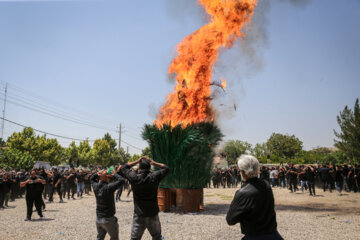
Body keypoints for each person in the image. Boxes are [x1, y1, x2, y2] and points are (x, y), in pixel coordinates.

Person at [226, 155, 283, 240]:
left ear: (243, 172)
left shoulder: (243, 193)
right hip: (273, 234)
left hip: (254, 236)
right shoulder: (266, 185)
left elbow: (230, 220)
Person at [119, 156, 170, 240]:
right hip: (152, 213)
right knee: (157, 237)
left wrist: (137, 161)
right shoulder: (154, 176)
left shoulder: (134, 177)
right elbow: (166, 168)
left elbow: (124, 168)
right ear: (150, 167)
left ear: (139, 167)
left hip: (139, 214)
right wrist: (153, 162)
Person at [91, 168, 125, 240]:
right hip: (108, 219)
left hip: (98, 218)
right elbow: (122, 180)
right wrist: (114, 174)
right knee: (114, 238)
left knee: (99, 238)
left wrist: (97, 174)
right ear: (107, 177)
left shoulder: (95, 186)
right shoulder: (109, 187)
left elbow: (91, 178)